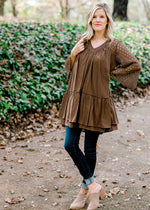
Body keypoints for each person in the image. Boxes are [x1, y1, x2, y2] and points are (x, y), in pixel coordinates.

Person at [59, 2, 141, 210]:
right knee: (69, 144)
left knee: (89, 148)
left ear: (107, 21)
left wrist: (111, 73)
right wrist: (73, 53)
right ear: (90, 19)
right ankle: (93, 185)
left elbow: (134, 64)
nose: (97, 20)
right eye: (94, 16)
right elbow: (69, 66)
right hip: (76, 98)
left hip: (97, 100)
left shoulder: (114, 44)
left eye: (101, 17)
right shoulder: (83, 41)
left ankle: (84, 192)